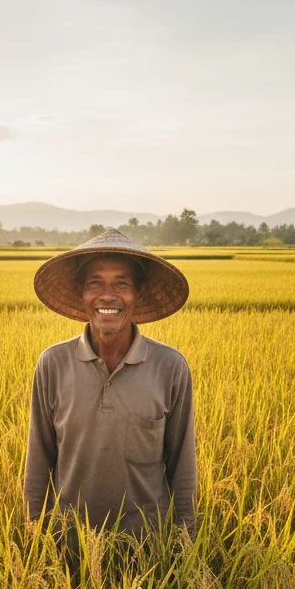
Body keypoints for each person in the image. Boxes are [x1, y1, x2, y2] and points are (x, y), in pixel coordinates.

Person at [24, 229, 197, 554]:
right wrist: (36, 540)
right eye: (95, 283)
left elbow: (182, 466)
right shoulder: (52, 364)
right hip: (69, 550)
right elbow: (38, 460)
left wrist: (183, 548)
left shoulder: (170, 367)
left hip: (147, 551)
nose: (108, 295)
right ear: (81, 294)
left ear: (138, 294)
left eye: (121, 283)